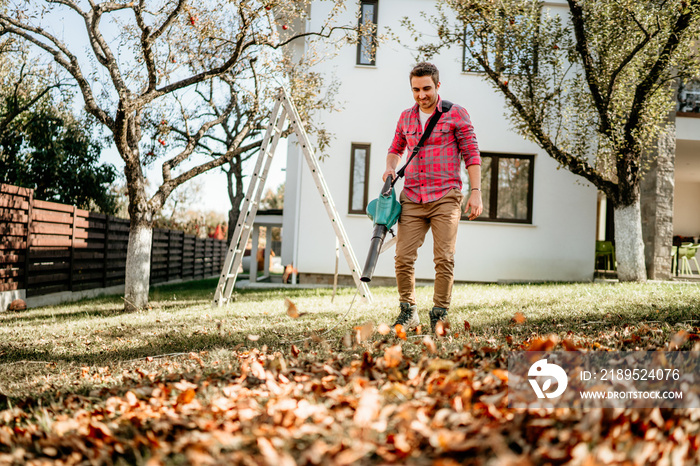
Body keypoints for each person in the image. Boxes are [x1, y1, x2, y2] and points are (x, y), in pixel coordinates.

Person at [382, 62, 482, 334]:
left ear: (438, 86)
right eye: (416, 89)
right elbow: (396, 147)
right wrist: (391, 166)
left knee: (444, 258)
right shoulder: (406, 117)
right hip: (413, 197)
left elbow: (472, 154)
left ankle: (439, 315)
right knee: (403, 257)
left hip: (446, 197)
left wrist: (475, 192)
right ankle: (408, 312)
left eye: (426, 88)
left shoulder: (456, 114)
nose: (421, 95)